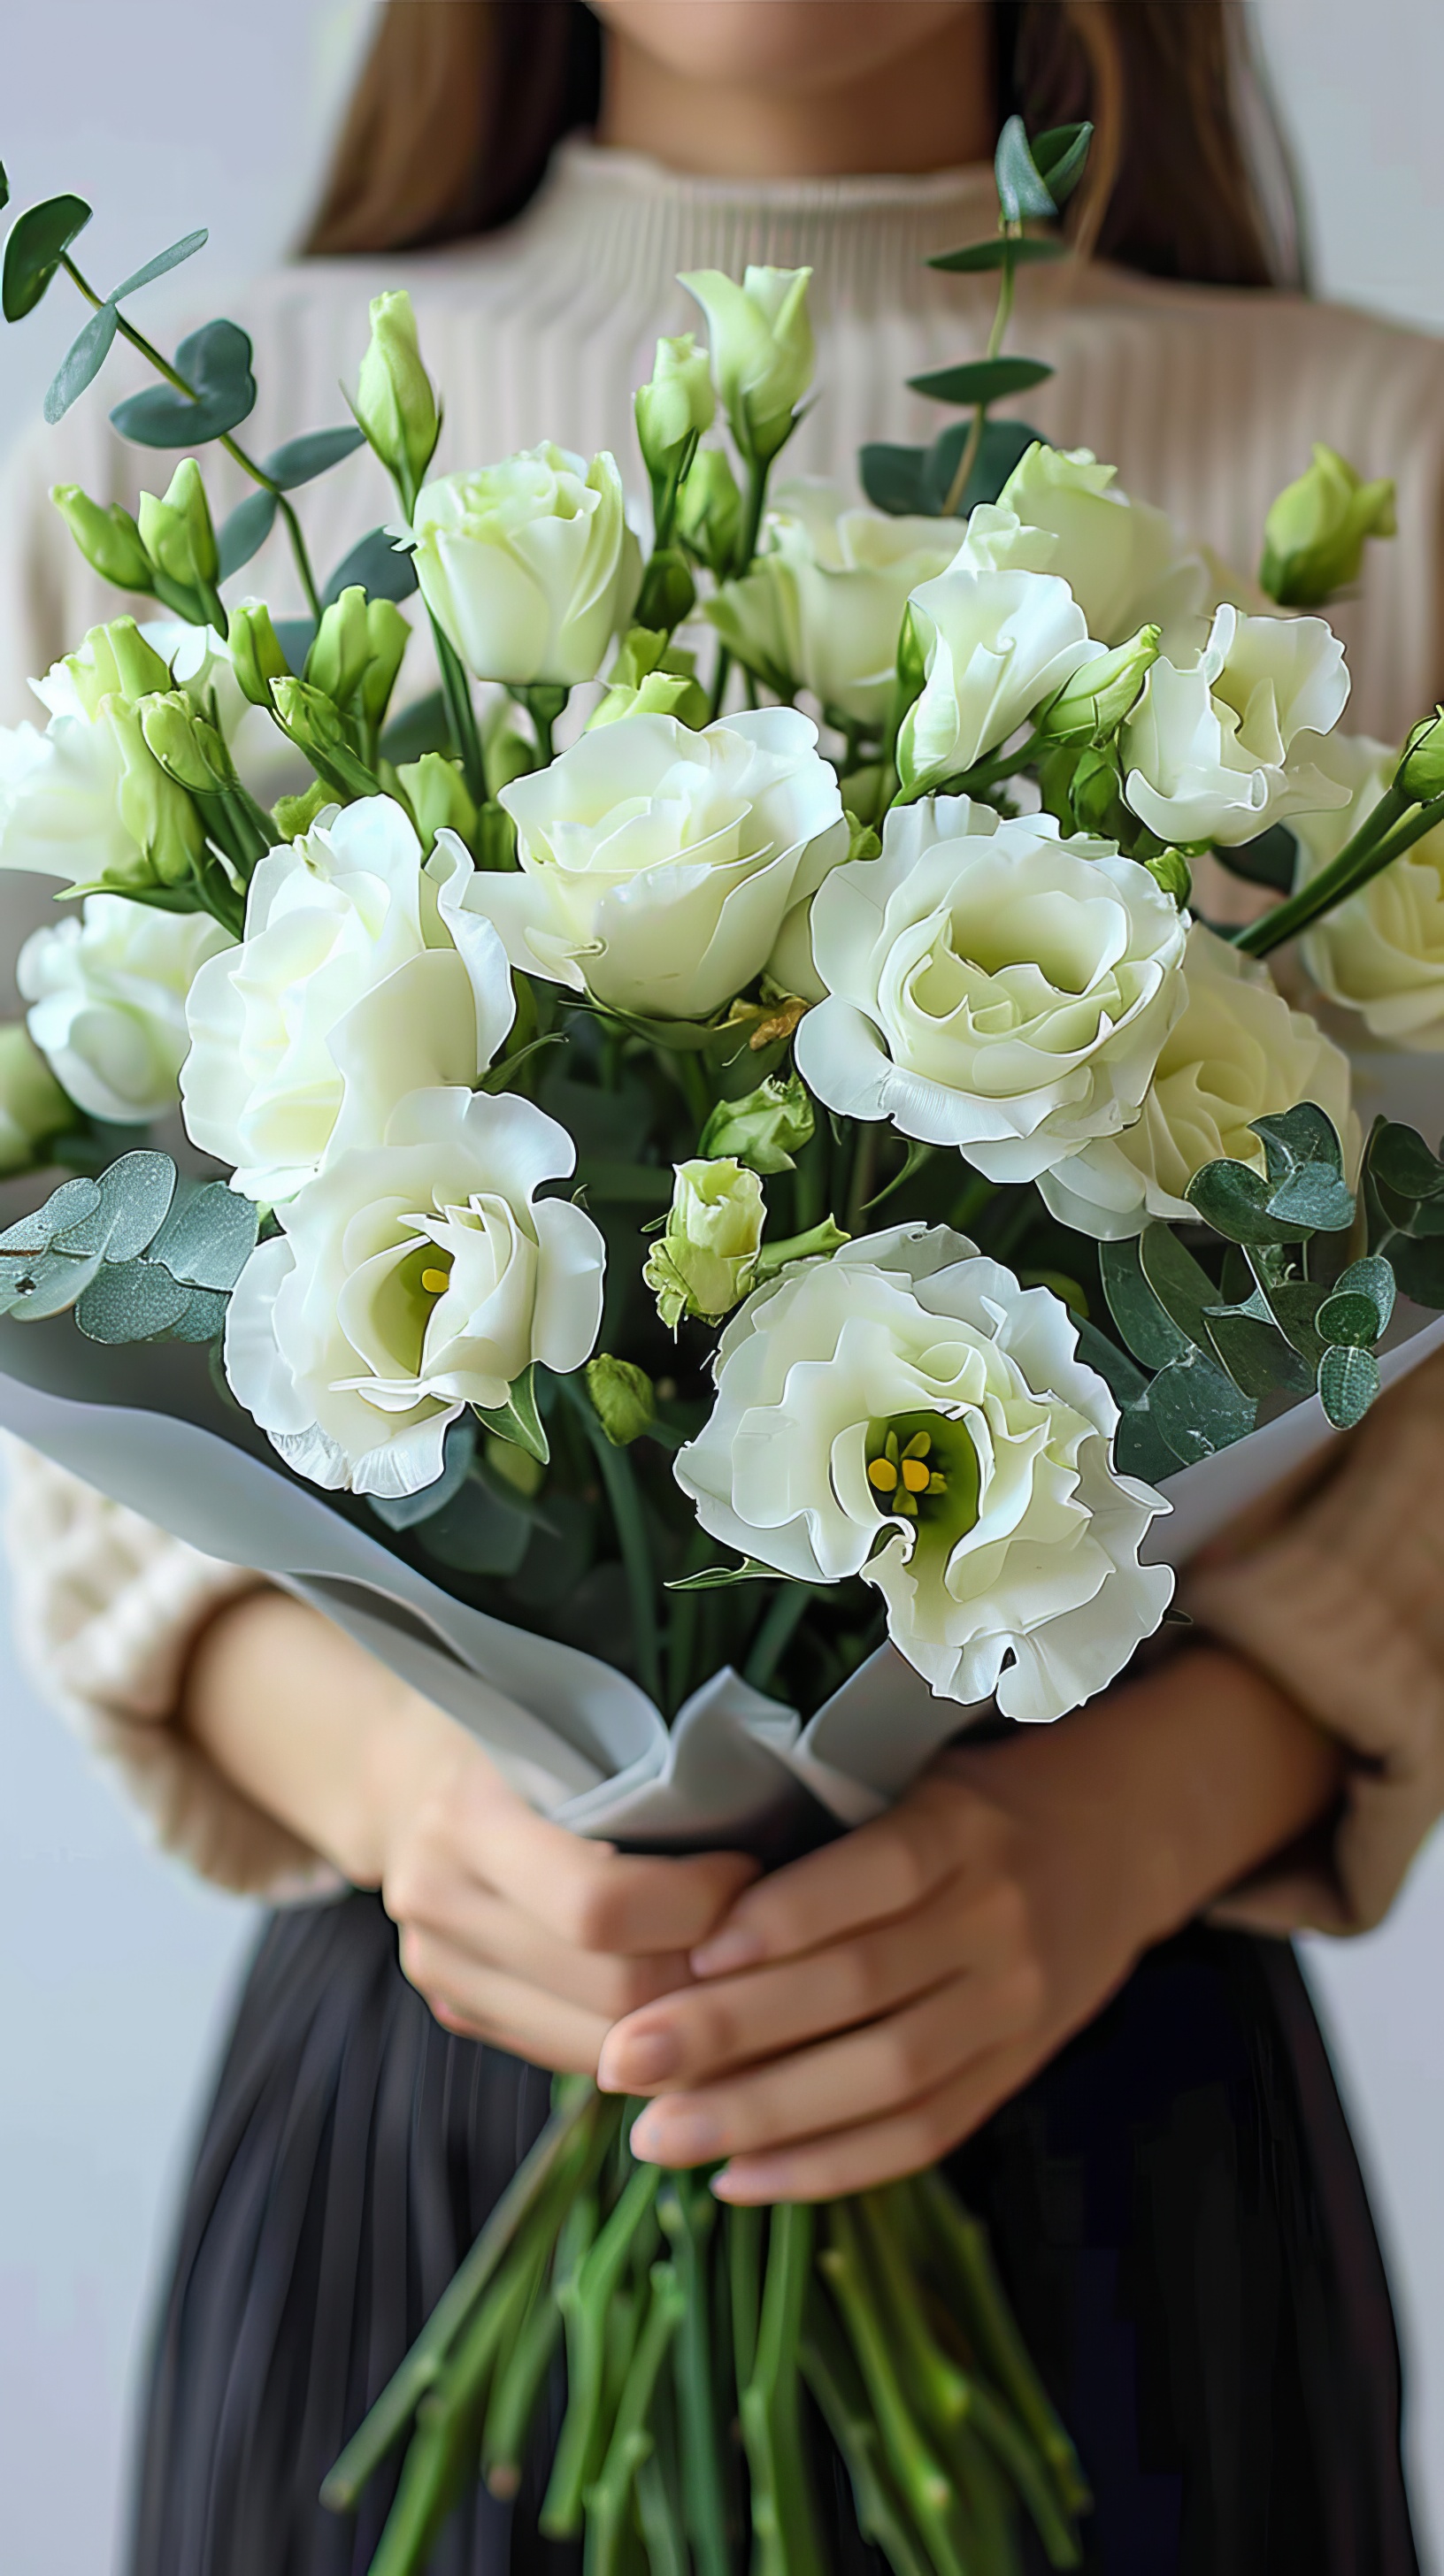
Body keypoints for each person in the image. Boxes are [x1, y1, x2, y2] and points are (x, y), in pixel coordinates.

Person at [3, 4, 1443, 2568]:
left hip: (1099, 2068)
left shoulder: (1387, 458)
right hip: (441, 2055)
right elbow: (48, 1251)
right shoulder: (159, 465)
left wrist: (1131, 1823)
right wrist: (401, 1791)